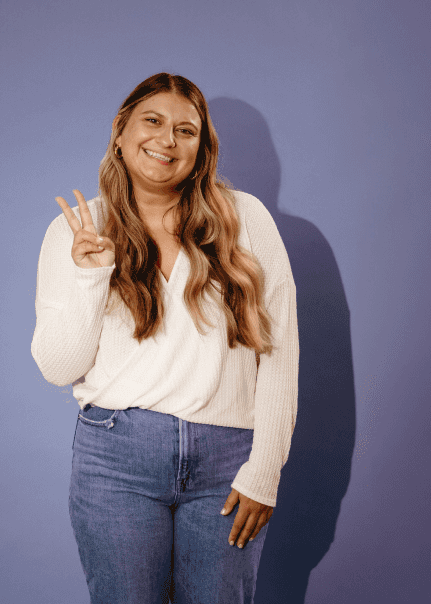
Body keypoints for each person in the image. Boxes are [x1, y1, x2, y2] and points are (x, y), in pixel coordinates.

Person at [31, 72, 298, 604]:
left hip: (228, 461)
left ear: (201, 148)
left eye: (185, 130)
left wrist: (264, 470)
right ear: (121, 132)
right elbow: (60, 367)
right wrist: (91, 275)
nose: (166, 139)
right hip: (116, 459)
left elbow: (281, 353)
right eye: (152, 121)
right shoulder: (80, 229)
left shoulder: (246, 220)